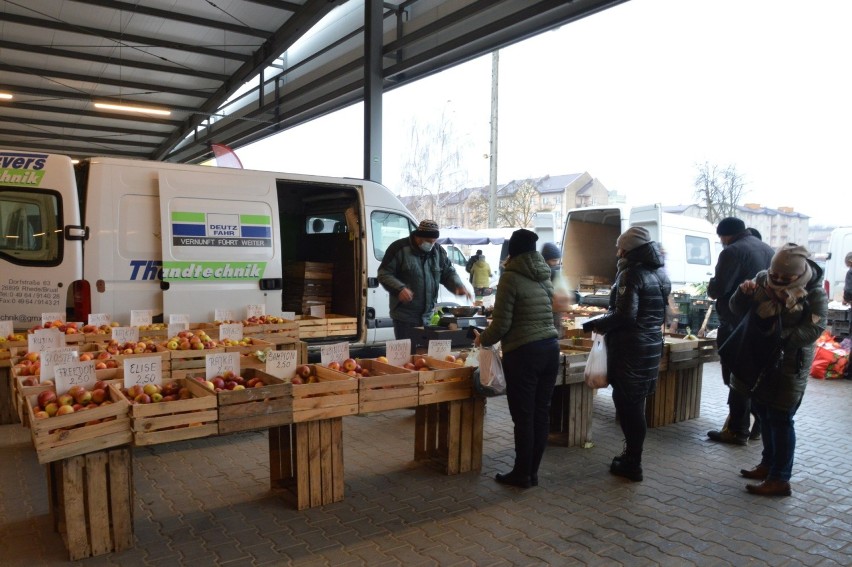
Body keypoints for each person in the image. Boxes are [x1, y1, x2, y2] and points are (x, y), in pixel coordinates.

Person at [730, 244, 827, 496]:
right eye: (775, 275)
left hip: (790, 363)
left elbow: (815, 328)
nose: (778, 280)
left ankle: (780, 479)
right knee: (761, 410)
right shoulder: (762, 279)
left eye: (786, 278)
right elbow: (737, 309)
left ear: (800, 274)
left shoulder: (813, 292)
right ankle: (767, 465)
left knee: (781, 419)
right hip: (760, 359)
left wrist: (779, 338)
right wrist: (742, 294)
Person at [583, 227, 671, 482]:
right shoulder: (659, 273)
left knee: (628, 406)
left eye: (619, 247)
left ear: (627, 249)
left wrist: (592, 323)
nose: (616, 251)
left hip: (631, 349)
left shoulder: (631, 273)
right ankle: (632, 457)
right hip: (651, 345)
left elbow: (624, 314)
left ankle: (633, 462)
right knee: (636, 404)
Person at [474, 229, 559, 488]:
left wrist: (482, 339)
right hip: (550, 350)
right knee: (541, 414)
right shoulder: (545, 275)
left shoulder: (511, 277)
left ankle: (522, 473)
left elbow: (501, 325)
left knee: (523, 416)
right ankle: (532, 472)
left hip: (524, 353)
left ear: (513, 251)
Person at [706, 217, 774, 445]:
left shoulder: (732, 251)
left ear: (725, 235)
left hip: (736, 322)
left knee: (736, 374)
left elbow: (718, 288)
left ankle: (737, 429)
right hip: (761, 322)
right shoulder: (767, 248)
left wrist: (711, 286)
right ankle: (758, 427)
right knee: (756, 374)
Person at [377, 219, 471, 347]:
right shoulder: (399, 248)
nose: (431, 245)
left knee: (424, 356)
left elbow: (448, 273)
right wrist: (400, 289)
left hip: (428, 317)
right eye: (428, 241)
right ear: (418, 237)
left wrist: (458, 286)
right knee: (406, 356)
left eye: (434, 242)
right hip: (405, 317)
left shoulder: (438, 251)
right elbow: (384, 273)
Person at [541, 242, 570, 338]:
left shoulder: (554, 272)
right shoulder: (551, 273)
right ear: (546, 259)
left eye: (557, 260)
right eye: (554, 260)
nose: (556, 263)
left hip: (553, 322)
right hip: (549, 322)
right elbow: (562, 298)